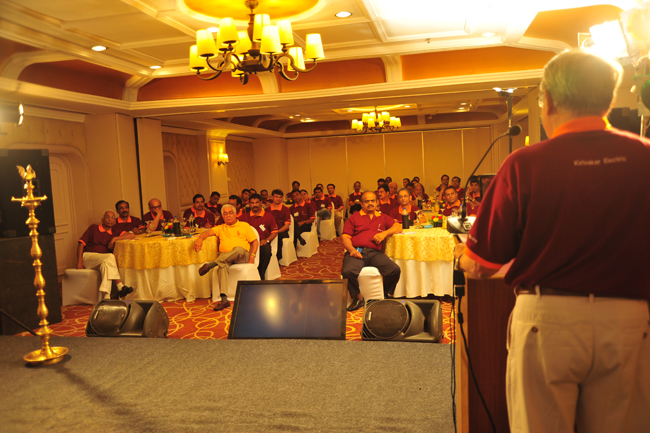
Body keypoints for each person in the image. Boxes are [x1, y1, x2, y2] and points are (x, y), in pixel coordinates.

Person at [454, 49, 650, 433]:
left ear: (549, 101)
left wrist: (463, 255)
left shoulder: (524, 164)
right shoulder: (644, 157)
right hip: (628, 320)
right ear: (608, 100)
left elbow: (480, 266)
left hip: (548, 321)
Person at [341, 191, 402, 311]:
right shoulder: (354, 218)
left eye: (372, 201)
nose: (370, 203)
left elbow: (398, 227)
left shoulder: (382, 217)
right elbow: (345, 238)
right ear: (361, 204)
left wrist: (384, 233)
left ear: (377, 202)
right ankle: (358, 297)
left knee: (394, 270)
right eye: (366, 201)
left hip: (375, 253)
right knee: (347, 271)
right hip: (357, 251)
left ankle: (385, 294)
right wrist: (352, 250)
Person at [195, 204, 258, 311]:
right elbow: (207, 233)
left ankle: (211, 264)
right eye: (225, 214)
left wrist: (252, 256)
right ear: (222, 216)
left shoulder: (244, 225)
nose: (228, 215)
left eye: (230, 213)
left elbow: (255, 241)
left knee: (238, 249)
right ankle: (224, 299)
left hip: (242, 256)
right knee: (222, 265)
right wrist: (200, 239)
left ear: (235, 214)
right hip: (225, 257)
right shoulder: (221, 228)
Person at [77, 210, 135, 300]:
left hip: (103, 260)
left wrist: (115, 238)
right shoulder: (93, 228)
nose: (110, 219)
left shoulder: (115, 232)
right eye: (107, 217)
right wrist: (79, 263)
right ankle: (120, 285)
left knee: (106, 266)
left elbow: (132, 235)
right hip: (88, 257)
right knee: (110, 256)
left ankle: (106, 296)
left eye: (112, 218)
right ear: (102, 220)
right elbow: (81, 244)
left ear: (115, 221)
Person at [240, 194, 278, 279]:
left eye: (257, 202)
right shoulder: (244, 217)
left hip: (262, 242)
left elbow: (274, 232)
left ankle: (260, 275)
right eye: (252, 203)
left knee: (266, 250)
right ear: (249, 204)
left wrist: (267, 240)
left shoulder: (268, 216)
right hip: (247, 243)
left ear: (261, 203)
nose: (255, 205)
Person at [268, 189, 291, 263]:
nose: (278, 199)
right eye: (276, 197)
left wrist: (276, 232)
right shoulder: (267, 210)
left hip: (282, 232)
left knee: (278, 237)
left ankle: (277, 258)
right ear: (272, 197)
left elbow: (286, 226)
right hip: (270, 232)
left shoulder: (286, 209)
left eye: (280, 197)